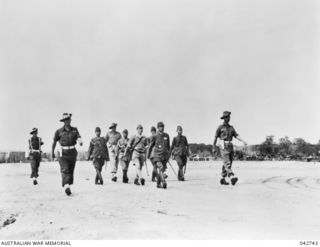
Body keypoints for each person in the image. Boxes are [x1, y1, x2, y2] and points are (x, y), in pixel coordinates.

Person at [52, 113, 83, 196]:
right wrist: (52, 152)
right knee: (65, 169)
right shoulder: (58, 131)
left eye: (68, 120)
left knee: (71, 170)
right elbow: (54, 142)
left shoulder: (74, 129)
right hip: (63, 153)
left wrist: (80, 141)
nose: (67, 121)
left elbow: (78, 136)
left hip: (72, 152)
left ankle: (68, 185)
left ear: (70, 120)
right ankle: (66, 186)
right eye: (65, 120)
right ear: (63, 121)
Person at [213, 111, 247, 186]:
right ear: (224, 118)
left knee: (229, 163)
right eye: (227, 117)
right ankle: (232, 177)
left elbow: (236, 135)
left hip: (230, 146)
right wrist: (214, 147)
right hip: (223, 146)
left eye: (229, 117)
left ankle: (223, 179)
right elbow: (215, 137)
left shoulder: (231, 128)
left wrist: (243, 141)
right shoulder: (220, 127)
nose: (229, 118)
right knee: (227, 163)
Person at [147, 122, 170, 189]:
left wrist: (168, 154)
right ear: (158, 127)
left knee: (162, 170)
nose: (162, 128)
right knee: (161, 168)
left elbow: (168, 146)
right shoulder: (155, 136)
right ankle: (164, 181)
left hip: (164, 156)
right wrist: (148, 155)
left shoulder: (166, 135)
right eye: (160, 127)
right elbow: (151, 146)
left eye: (163, 126)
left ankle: (158, 184)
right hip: (157, 155)